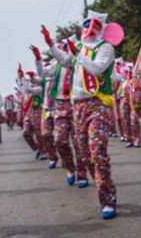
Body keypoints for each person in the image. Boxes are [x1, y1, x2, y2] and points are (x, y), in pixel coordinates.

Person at [45, 11, 123, 219]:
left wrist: (77, 54)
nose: (90, 28)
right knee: (85, 154)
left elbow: (97, 69)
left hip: (99, 104)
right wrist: (52, 45)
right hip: (77, 106)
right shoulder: (78, 47)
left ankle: (107, 199)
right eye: (87, 24)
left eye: (95, 24)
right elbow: (64, 62)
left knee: (98, 152)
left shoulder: (105, 48)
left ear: (102, 28)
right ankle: (104, 186)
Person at [33, 40, 79, 185]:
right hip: (59, 105)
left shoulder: (79, 61)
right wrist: (38, 59)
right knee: (59, 140)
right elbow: (42, 73)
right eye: (64, 47)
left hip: (77, 104)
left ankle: (83, 174)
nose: (65, 49)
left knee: (79, 143)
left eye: (68, 47)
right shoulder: (57, 65)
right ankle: (70, 168)